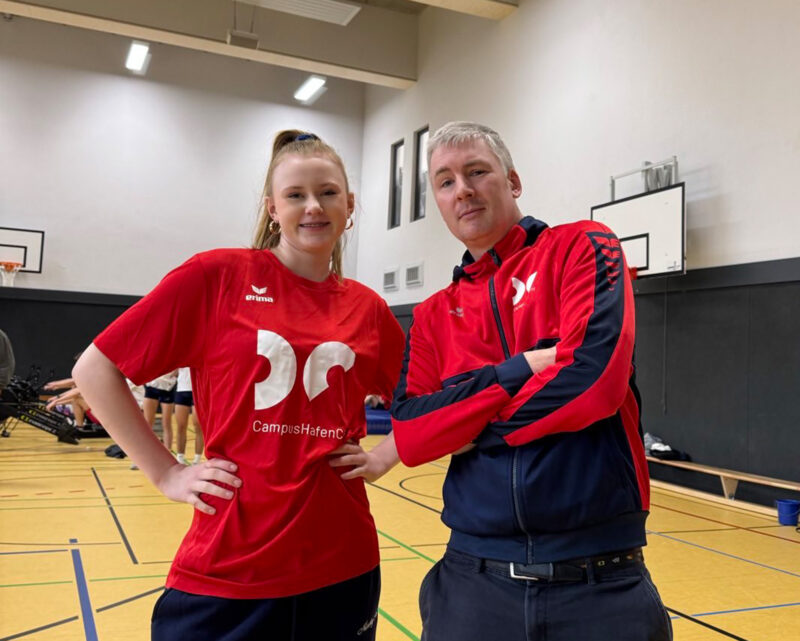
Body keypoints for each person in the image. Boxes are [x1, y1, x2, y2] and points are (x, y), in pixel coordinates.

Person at [73, 130, 406, 641]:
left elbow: (431, 401)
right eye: (295, 195)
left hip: (342, 563)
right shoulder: (217, 276)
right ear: (273, 208)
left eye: (328, 192)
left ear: (350, 205)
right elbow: (95, 370)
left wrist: (384, 456)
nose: (313, 206)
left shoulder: (370, 309)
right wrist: (166, 472)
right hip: (229, 565)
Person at [389, 122, 672, 641]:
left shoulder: (583, 246)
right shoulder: (432, 316)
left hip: (600, 583)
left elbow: (594, 383)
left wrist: (466, 423)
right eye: (446, 182)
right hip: (471, 585)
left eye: (477, 171)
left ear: (513, 181)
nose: (463, 190)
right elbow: (409, 434)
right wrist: (514, 372)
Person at [173, 367, 204, 465]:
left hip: (198, 389)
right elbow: (174, 373)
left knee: (198, 426)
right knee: (181, 426)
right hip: (182, 389)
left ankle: (197, 459)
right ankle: (180, 457)